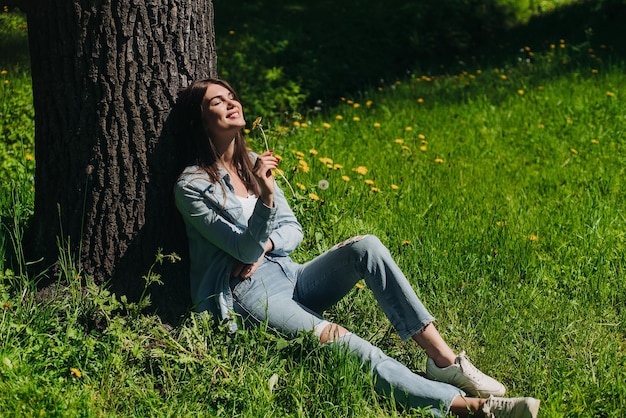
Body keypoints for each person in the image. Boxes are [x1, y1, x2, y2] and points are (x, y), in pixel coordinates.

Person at [173, 78, 541, 418]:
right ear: (201, 122)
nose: (232, 103)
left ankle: (443, 360)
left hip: (291, 271)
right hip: (248, 293)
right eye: (217, 103)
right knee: (343, 340)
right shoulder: (192, 186)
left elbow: (291, 230)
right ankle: (474, 408)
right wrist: (266, 201)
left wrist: (267, 242)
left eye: (231, 96)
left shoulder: (253, 163)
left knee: (366, 246)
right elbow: (244, 251)